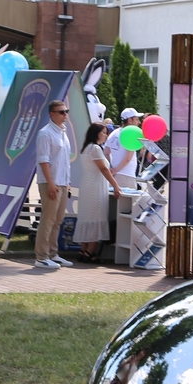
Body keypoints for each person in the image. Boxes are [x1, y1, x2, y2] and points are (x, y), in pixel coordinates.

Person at [34, 100, 74, 269]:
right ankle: (41, 256)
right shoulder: (45, 133)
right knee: (48, 219)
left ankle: (52, 253)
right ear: (52, 114)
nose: (65, 115)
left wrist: (67, 182)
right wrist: (50, 183)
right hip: (50, 181)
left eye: (66, 111)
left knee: (58, 220)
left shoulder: (63, 133)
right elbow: (44, 160)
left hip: (62, 182)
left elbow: (63, 161)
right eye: (61, 112)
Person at [72, 122, 120, 263]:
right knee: (96, 216)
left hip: (88, 184)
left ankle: (83, 249)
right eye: (103, 132)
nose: (106, 135)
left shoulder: (87, 148)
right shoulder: (95, 148)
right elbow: (103, 169)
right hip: (95, 186)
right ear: (96, 133)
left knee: (87, 216)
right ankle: (90, 251)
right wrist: (116, 185)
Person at [104, 107, 144, 195]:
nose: (139, 122)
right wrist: (115, 170)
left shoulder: (114, 133)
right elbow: (127, 158)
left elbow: (106, 153)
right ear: (130, 120)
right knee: (126, 203)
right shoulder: (130, 135)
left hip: (113, 176)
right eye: (137, 119)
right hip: (127, 176)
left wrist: (111, 169)